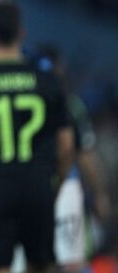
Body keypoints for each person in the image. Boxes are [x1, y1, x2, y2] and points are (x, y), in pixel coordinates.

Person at [0, 0, 74, 273]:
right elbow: (66, 146)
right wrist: (56, 183)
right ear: (22, 33)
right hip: (38, 183)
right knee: (42, 265)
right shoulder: (49, 81)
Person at [32, 45, 112, 273]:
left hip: (30, 188)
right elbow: (84, 154)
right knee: (72, 263)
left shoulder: (23, 103)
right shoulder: (69, 105)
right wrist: (99, 194)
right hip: (65, 187)